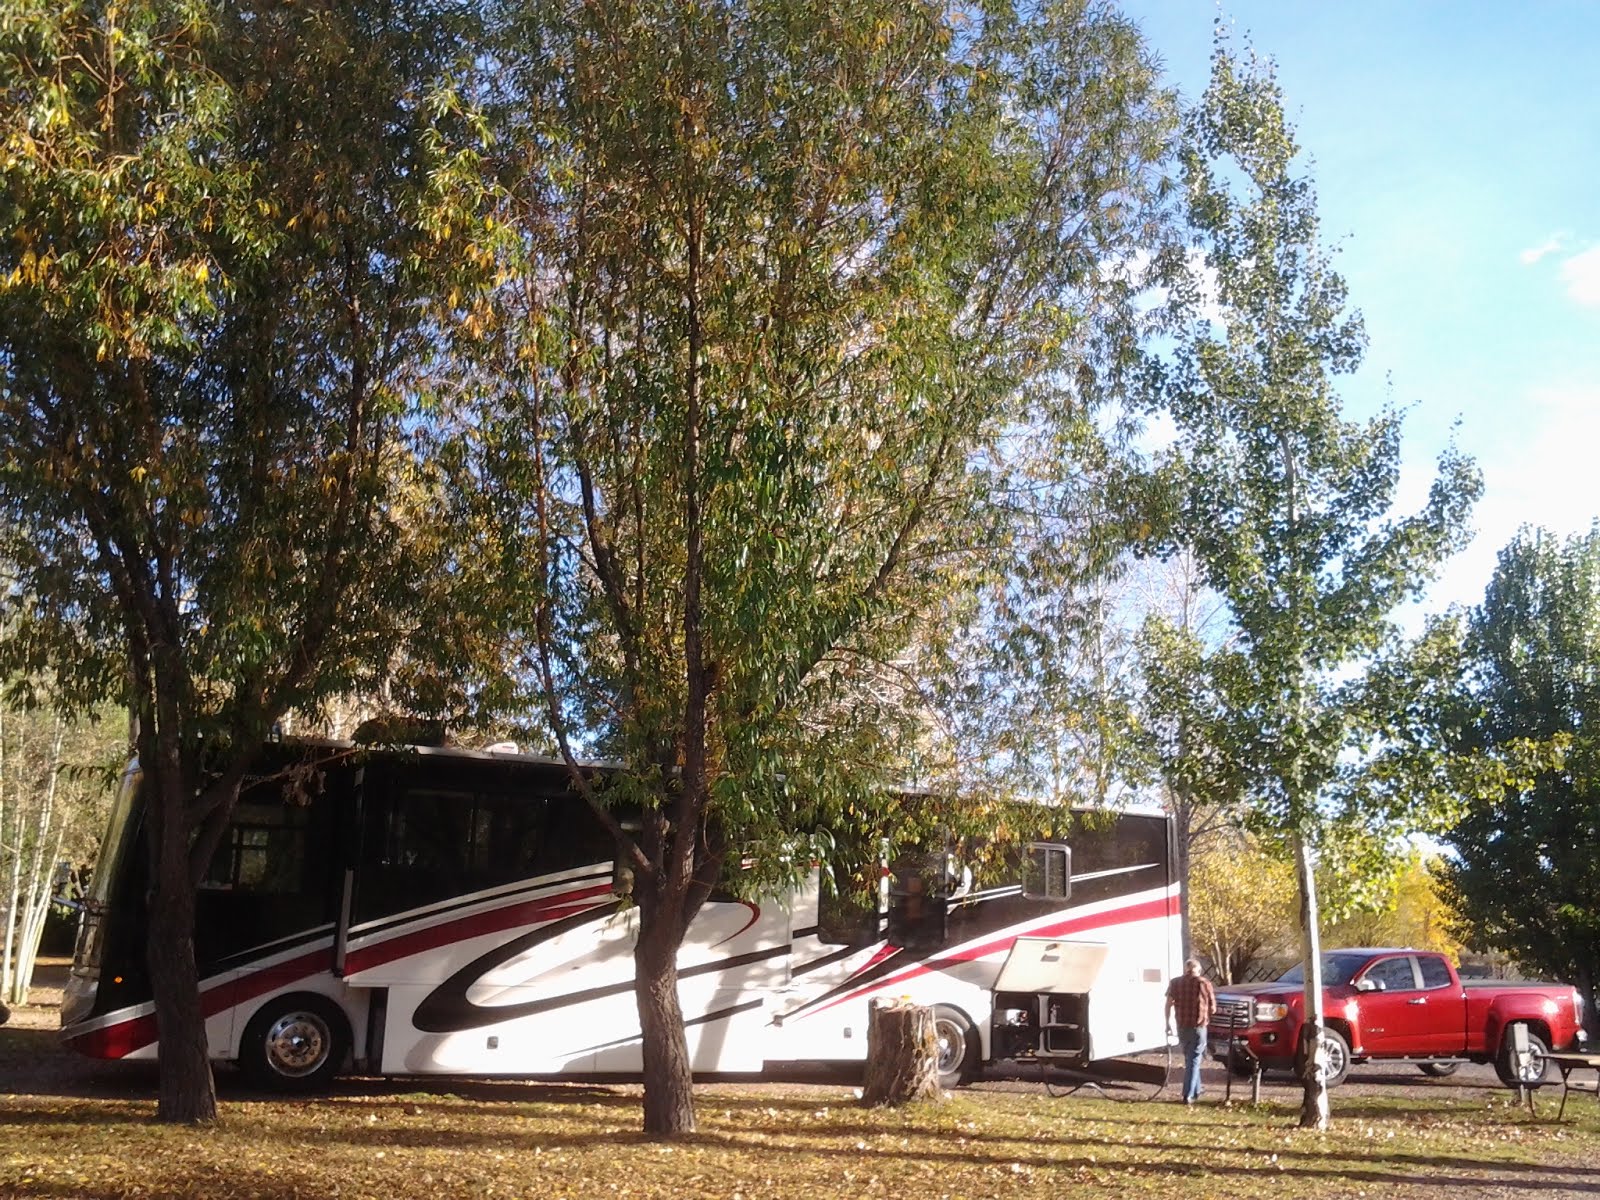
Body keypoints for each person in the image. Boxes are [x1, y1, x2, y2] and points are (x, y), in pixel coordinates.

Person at [1165, 957, 1216, 1105]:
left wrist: (1167, 1023)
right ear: (1198, 970)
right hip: (1198, 1027)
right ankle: (1188, 1095)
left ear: (1185, 969)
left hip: (1182, 1026)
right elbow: (1213, 1008)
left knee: (1190, 1058)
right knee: (1194, 1060)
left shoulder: (1175, 983)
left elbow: (1168, 1004)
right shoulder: (1204, 983)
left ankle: (1197, 1089)